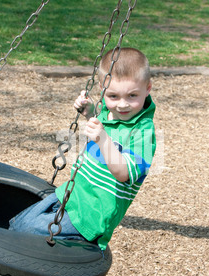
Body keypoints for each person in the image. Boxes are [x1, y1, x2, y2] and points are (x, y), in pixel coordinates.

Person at [9, 47, 157, 251]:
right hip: (70, 195)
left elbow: (123, 173)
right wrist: (89, 113)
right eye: (113, 96)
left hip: (92, 216)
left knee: (25, 231)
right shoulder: (109, 113)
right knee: (18, 220)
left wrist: (103, 139)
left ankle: (75, 251)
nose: (122, 105)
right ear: (102, 90)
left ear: (147, 88)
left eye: (132, 96)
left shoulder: (143, 132)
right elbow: (104, 127)